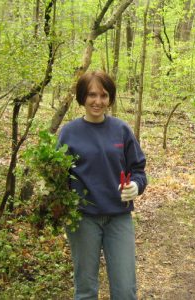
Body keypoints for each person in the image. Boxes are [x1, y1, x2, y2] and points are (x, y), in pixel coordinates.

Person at [58, 70, 147, 300]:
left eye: (104, 95)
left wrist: (136, 186)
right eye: (92, 95)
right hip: (83, 219)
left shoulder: (121, 130)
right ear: (82, 97)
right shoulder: (68, 133)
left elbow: (138, 170)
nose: (98, 101)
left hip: (119, 217)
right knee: (86, 289)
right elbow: (57, 178)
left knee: (125, 290)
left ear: (110, 98)